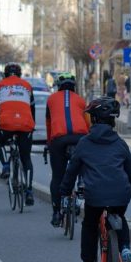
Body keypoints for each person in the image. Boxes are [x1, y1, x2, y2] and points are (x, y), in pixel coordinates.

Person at [59, 97, 131, 262]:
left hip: (95, 194)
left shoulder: (84, 143)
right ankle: (125, 248)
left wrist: (65, 191)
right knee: (119, 217)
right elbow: (130, 169)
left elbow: (71, 170)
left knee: (89, 225)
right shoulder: (120, 143)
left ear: (94, 119)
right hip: (121, 193)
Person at [45, 73, 90, 227]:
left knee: (57, 176)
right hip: (80, 137)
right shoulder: (81, 100)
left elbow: (49, 123)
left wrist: (49, 142)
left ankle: (56, 213)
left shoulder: (51, 99)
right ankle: (82, 182)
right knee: (83, 162)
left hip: (59, 138)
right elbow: (87, 123)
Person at [0, 62, 36, 206]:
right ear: (20, 74)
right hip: (25, 125)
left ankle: (5, 165)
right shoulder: (27, 86)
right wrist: (31, 126)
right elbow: (32, 109)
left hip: (6, 125)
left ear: (4, 73)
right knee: (26, 158)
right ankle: (28, 191)